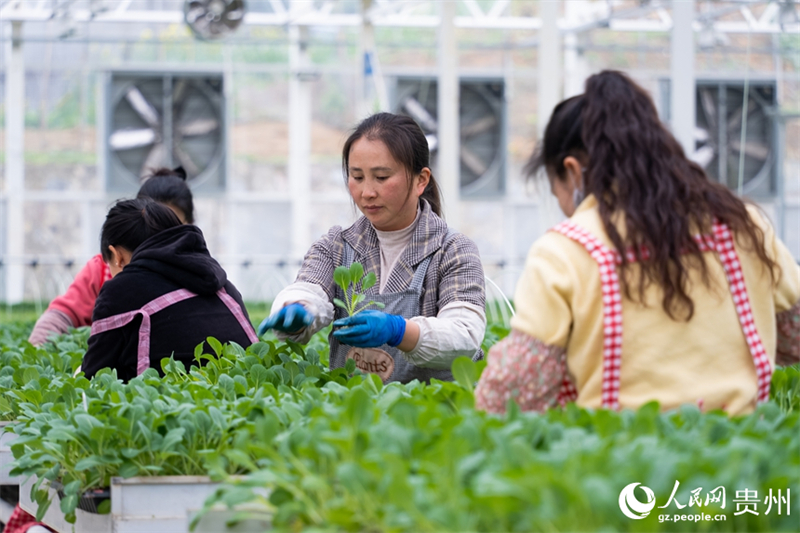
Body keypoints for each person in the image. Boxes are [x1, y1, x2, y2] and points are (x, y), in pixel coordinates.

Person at [475, 70, 800, 416]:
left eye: (558, 194)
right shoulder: (743, 226)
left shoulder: (567, 250)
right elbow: (793, 339)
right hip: (740, 454)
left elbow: (510, 395)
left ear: (573, 172)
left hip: (627, 459)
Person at [259, 112, 486, 383]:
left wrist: (399, 331)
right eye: (357, 177)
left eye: (381, 177)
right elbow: (310, 288)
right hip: (357, 411)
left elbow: (464, 335)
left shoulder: (452, 250)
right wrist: (297, 310)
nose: (367, 192)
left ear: (420, 180)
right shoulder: (337, 246)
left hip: (432, 414)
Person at [81, 198, 257, 381]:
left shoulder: (119, 292)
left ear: (117, 256)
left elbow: (92, 375)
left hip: (163, 406)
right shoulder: (224, 286)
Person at [28, 167, 194, 346]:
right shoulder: (102, 269)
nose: (160, 238)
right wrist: (38, 349)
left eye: (171, 228)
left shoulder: (196, 273)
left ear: (189, 227)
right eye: (153, 227)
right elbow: (62, 314)